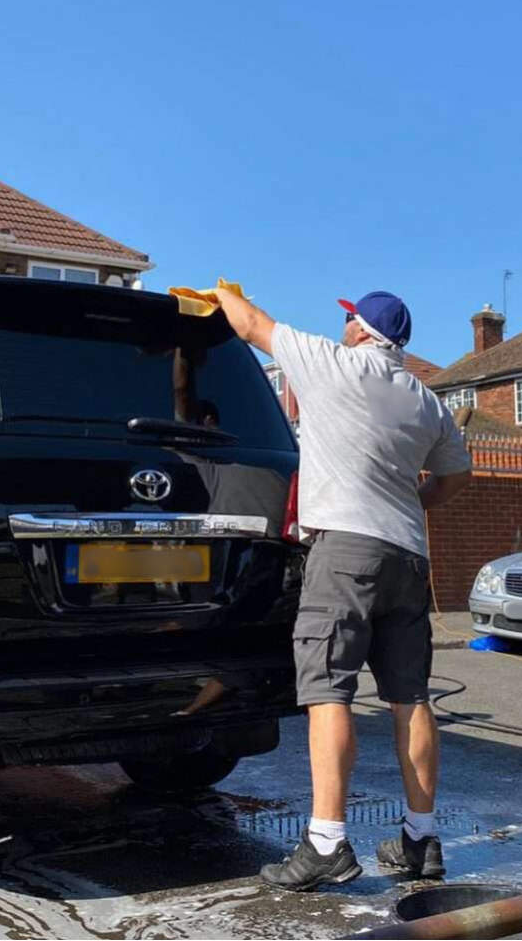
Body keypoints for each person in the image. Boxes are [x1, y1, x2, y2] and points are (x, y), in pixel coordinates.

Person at [211, 287, 472, 891]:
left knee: (329, 690)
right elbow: (458, 476)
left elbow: (249, 323)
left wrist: (219, 292)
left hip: (345, 553)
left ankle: (327, 842)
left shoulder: (332, 363)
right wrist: (413, 500)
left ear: (360, 330)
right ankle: (420, 839)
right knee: (411, 696)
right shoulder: (425, 402)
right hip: (407, 558)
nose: (342, 325)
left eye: (348, 318)